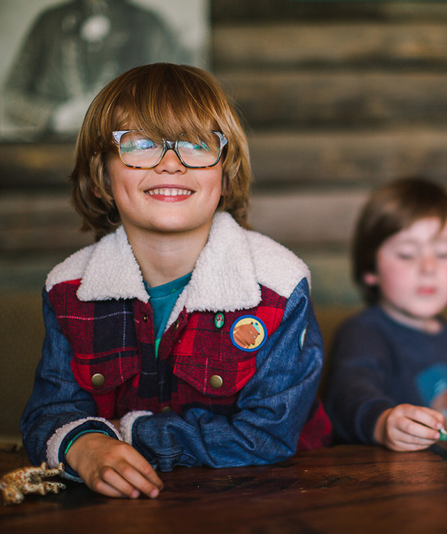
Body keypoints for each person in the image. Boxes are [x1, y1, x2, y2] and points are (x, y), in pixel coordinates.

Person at [21, 63, 332, 500]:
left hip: (265, 499)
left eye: (197, 144)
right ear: (102, 176)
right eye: (141, 144)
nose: (171, 163)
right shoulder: (68, 289)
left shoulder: (278, 285)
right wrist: (85, 446)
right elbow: (49, 412)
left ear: (224, 175)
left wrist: (129, 435)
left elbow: (267, 436)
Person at [323, 177, 447, 451]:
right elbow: (346, 393)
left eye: (443, 253)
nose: (429, 267)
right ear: (371, 270)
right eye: (407, 254)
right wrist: (382, 422)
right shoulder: (363, 332)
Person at [2, 0, 185, 140]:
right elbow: (11, 97)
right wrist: (55, 116)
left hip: (130, 149)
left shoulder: (149, 24)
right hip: (53, 151)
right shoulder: (49, 22)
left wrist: (122, 119)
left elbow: (176, 97)